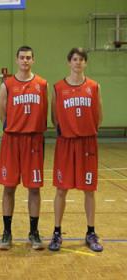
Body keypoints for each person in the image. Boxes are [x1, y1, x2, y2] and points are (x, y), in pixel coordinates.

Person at [48, 47, 103, 252]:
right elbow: (54, 118)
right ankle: (56, 232)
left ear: (85, 63)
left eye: (81, 59)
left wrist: (85, 129)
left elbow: (99, 115)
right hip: (66, 142)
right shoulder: (58, 87)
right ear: (69, 62)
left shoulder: (94, 86)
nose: (78, 63)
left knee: (89, 190)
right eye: (74, 59)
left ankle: (90, 232)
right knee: (61, 189)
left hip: (87, 143)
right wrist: (69, 129)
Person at [0, 46, 48, 250]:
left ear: (33, 60)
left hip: (34, 141)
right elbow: (2, 114)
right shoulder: (7, 85)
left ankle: (33, 232)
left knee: (34, 188)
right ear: (17, 60)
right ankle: (7, 232)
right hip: (12, 140)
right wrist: (15, 127)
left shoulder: (42, 84)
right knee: (9, 187)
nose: (25, 61)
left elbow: (45, 112)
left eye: (28, 58)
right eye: (22, 58)